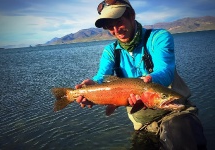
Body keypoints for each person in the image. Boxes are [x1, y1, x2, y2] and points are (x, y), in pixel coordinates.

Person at [75, 0, 207, 149]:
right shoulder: (110, 51)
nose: (116, 30)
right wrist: (91, 86)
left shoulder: (159, 38)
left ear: (132, 15)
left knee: (181, 133)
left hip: (175, 113)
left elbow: (166, 70)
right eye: (110, 26)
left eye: (119, 22)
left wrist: (148, 82)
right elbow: (101, 77)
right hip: (142, 124)